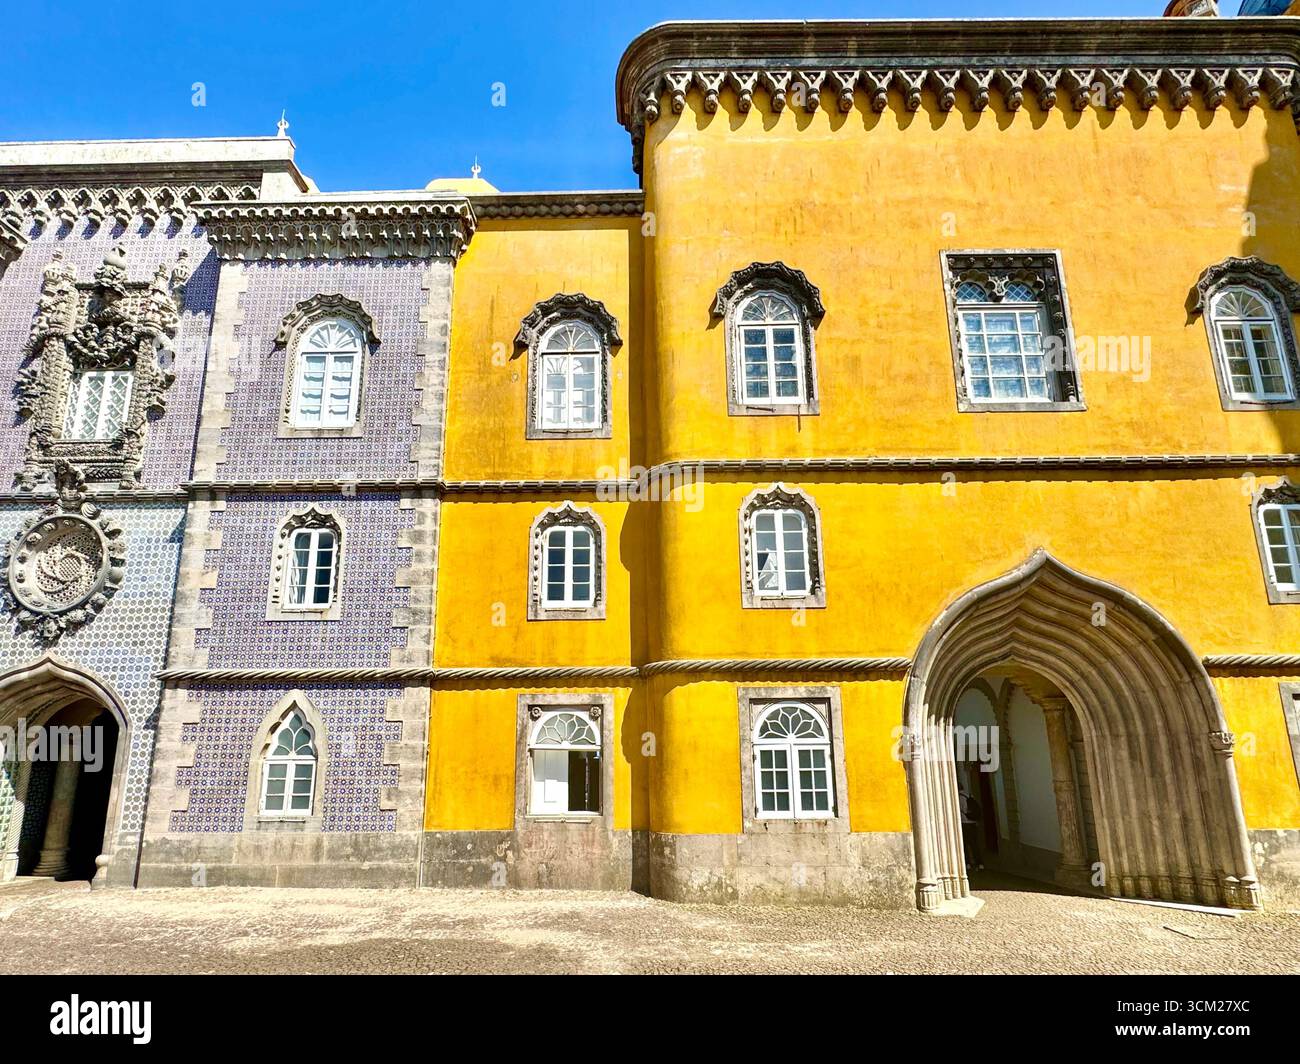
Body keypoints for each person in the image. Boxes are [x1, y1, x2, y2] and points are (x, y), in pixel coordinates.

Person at [958, 780, 985, 874]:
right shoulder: (969, 795)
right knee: (975, 844)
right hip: (973, 823)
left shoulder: (959, 797)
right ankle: (980, 863)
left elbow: (963, 809)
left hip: (965, 823)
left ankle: (968, 863)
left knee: (964, 844)